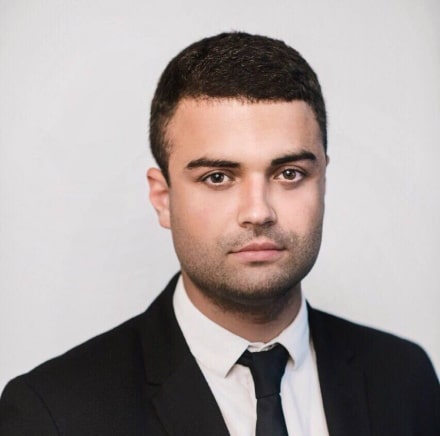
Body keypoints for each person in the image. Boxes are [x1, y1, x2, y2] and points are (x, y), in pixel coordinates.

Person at [0, 31, 438, 436]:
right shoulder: (53, 414)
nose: (258, 212)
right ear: (163, 198)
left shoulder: (405, 378)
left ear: (323, 181)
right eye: (217, 177)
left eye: (289, 173)